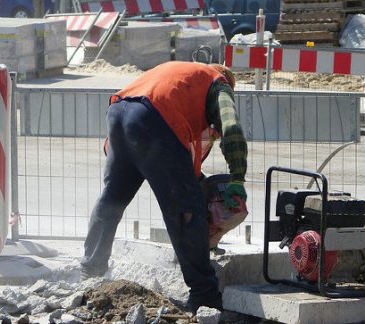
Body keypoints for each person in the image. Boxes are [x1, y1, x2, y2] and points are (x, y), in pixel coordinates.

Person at [81, 61, 248, 313]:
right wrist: (237, 177)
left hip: (119, 113)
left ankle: (90, 274)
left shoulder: (182, 76)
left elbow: (177, 159)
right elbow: (231, 127)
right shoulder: (219, 84)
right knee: (186, 211)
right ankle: (204, 295)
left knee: (112, 200)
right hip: (155, 118)